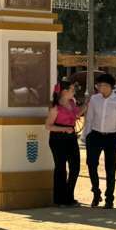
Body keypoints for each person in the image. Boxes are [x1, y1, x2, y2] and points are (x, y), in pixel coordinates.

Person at [81, 71, 116, 208]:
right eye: (98, 85)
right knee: (91, 164)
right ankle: (96, 192)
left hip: (112, 137)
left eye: (102, 85)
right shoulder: (94, 99)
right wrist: (86, 135)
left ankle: (109, 198)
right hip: (95, 135)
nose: (100, 88)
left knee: (110, 168)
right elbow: (89, 118)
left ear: (109, 86)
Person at [45, 79, 83, 207]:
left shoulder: (72, 103)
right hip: (57, 139)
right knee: (60, 168)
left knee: (75, 167)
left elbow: (77, 114)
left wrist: (88, 104)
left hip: (71, 137)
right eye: (72, 89)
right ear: (64, 92)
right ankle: (59, 199)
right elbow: (48, 126)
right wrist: (64, 129)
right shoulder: (55, 108)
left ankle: (69, 196)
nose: (74, 92)